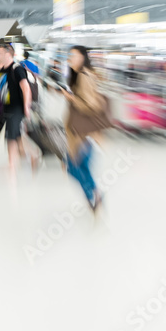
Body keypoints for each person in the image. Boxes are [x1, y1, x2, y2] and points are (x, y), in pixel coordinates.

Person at [63, 45, 112, 212]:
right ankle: (95, 197)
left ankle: (95, 196)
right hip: (80, 132)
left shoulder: (84, 76)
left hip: (83, 133)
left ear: (83, 58)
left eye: (74, 55)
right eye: (70, 55)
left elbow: (91, 105)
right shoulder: (79, 76)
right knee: (79, 167)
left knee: (73, 168)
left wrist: (71, 98)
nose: (71, 58)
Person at [0, 43, 38, 176]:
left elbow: (26, 88)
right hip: (6, 106)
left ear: (8, 54)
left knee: (11, 136)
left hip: (17, 107)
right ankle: (32, 156)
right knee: (16, 136)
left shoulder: (17, 69)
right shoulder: (1, 71)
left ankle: (12, 165)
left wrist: (26, 107)